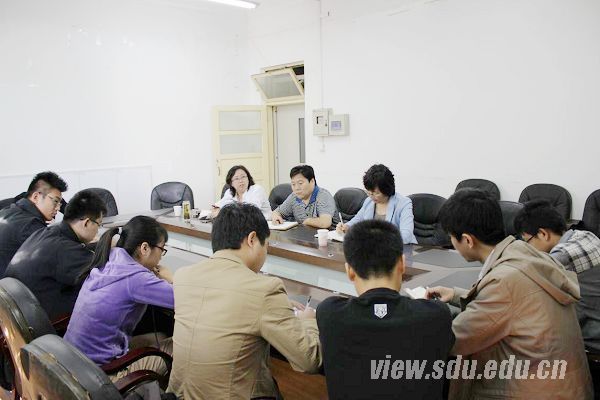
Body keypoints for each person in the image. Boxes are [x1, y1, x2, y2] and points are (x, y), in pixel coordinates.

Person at [426, 189, 592, 399]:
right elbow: (513, 304)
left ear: (467, 240)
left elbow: (454, 340)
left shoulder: (504, 282)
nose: (452, 242)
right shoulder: (524, 253)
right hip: (566, 386)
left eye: (452, 237)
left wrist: (420, 313)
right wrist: (455, 294)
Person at [167, 203, 321, 399]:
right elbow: (309, 360)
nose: (266, 253)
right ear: (252, 239)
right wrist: (308, 320)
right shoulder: (264, 289)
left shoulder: (183, 277)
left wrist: (278, 306)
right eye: (266, 245)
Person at [317, 220, 453, 399]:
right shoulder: (437, 314)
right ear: (402, 264)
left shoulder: (329, 313)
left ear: (349, 271)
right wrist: (422, 307)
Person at [64, 215, 173, 379]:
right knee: (178, 346)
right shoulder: (136, 277)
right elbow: (185, 299)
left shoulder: (109, 259)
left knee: (160, 337)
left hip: (72, 362)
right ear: (144, 248)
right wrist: (169, 278)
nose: (161, 257)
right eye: (162, 250)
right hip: (101, 374)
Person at [5, 189, 106, 321]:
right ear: (86, 223)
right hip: (41, 320)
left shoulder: (45, 232)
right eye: (99, 224)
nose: (98, 230)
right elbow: (107, 274)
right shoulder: (66, 250)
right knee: (107, 292)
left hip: (16, 311)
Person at [514, 199, 600, 354]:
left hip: (592, 338)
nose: (528, 248)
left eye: (527, 242)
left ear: (543, 234)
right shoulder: (586, 235)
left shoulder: (559, 258)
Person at [0, 171, 68, 276]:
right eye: (55, 201)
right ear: (36, 197)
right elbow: (58, 257)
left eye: (60, 203)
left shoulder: (8, 210)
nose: (58, 208)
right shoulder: (30, 225)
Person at [336, 164, 417, 244]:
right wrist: (346, 227)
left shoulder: (403, 203)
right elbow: (357, 220)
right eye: (369, 192)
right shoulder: (369, 202)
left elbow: (406, 236)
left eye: (376, 193)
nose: (371, 196)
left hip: (400, 249)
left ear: (387, 189)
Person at [271, 164, 338, 229]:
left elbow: (325, 223)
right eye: (293, 184)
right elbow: (277, 212)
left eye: (300, 183)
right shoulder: (294, 196)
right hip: (303, 235)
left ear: (312, 181)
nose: (296, 188)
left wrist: (307, 221)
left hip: (328, 235)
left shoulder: (323, 195)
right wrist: (276, 217)